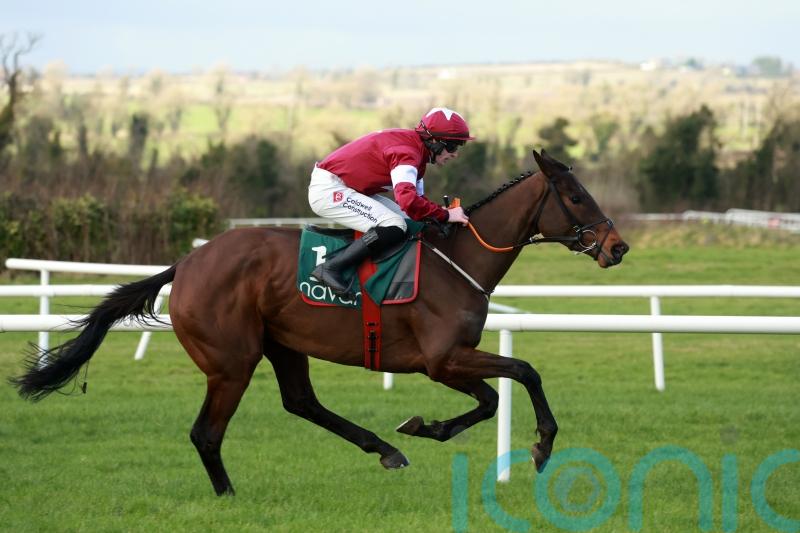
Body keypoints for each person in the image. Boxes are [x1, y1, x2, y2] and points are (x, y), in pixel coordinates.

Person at [308, 107, 474, 297]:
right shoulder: (408, 153)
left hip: (347, 187)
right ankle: (331, 267)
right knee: (394, 225)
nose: (455, 154)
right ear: (434, 141)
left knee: (411, 223)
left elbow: (415, 206)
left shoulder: (416, 151)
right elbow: (408, 201)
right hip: (329, 190)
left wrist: (439, 214)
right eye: (452, 147)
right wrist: (445, 214)